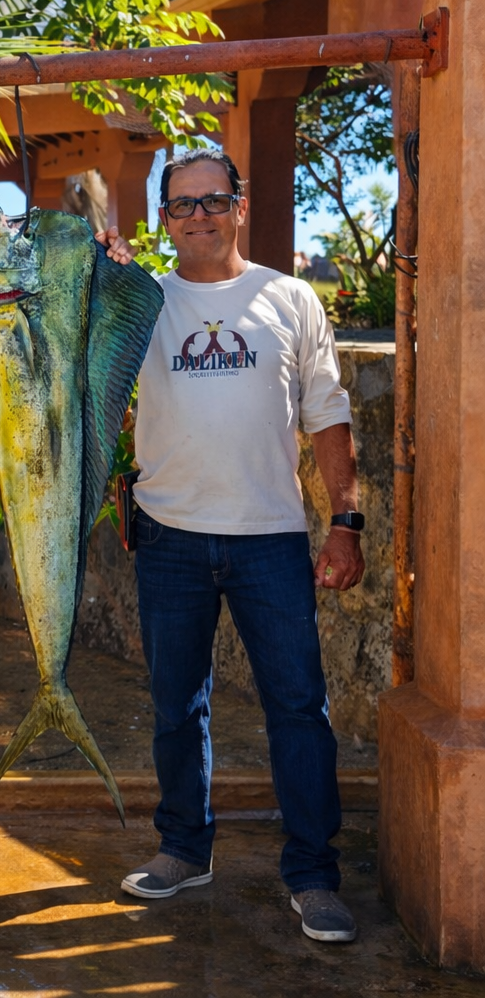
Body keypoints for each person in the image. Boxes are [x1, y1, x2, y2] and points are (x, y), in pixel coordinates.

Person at [121, 148, 364, 944]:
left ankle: (313, 876)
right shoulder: (141, 303)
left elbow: (327, 412)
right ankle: (183, 850)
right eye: (183, 204)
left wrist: (346, 520)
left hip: (270, 538)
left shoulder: (289, 298)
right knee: (175, 707)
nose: (200, 215)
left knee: (298, 710)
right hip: (168, 534)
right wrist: (98, 275)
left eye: (214, 199)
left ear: (241, 205)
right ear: (164, 218)